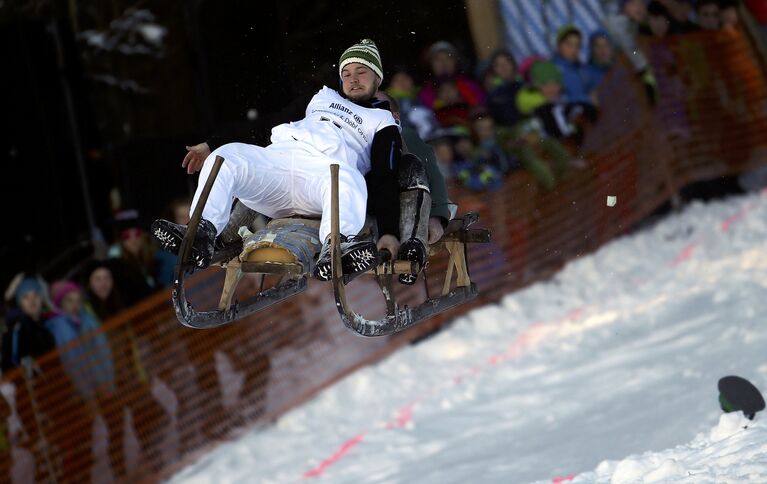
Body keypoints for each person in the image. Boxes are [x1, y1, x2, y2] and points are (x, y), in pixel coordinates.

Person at [152, 39, 417, 282]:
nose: (353, 79)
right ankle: (200, 234)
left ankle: (336, 249)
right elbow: (265, 125)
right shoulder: (320, 98)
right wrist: (211, 144)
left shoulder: (383, 121)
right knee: (226, 156)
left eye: (362, 72)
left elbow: (385, 176)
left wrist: (389, 233)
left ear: (377, 78)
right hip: (278, 164)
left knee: (349, 179)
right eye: (346, 73)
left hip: (324, 177)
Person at [1, 277, 55, 372]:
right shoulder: (17, 327)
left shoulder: (46, 325)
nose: (32, 301)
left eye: (36, 295)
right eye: (26, 297)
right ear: (20, 303)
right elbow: (9, 363)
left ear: (42, 299)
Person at [551, 25, 598, 106]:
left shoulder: (583, 68)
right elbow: (558, 100)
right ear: (559, 46)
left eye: (577, 46)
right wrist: (588, 99)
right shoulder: (553, 71)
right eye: (569, 44)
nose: (574, 49)